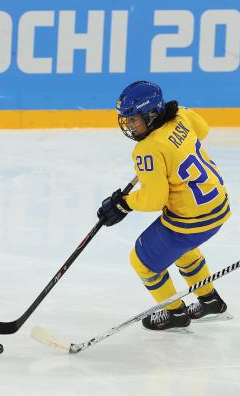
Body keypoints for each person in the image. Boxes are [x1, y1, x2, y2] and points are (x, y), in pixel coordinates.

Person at [97, 80, 231, 331]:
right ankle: (210, 300)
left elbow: (153, 200)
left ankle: (175, 313)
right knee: (181, 249)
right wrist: (172, 150)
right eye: (126, 120)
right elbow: (203, 129)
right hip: (218, 208)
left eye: (134, 119)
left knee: (142, 261)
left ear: (152, 114)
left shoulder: (147, 149)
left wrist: (124, 203)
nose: (129, 125)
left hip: (190, 221)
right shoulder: (179, 115)